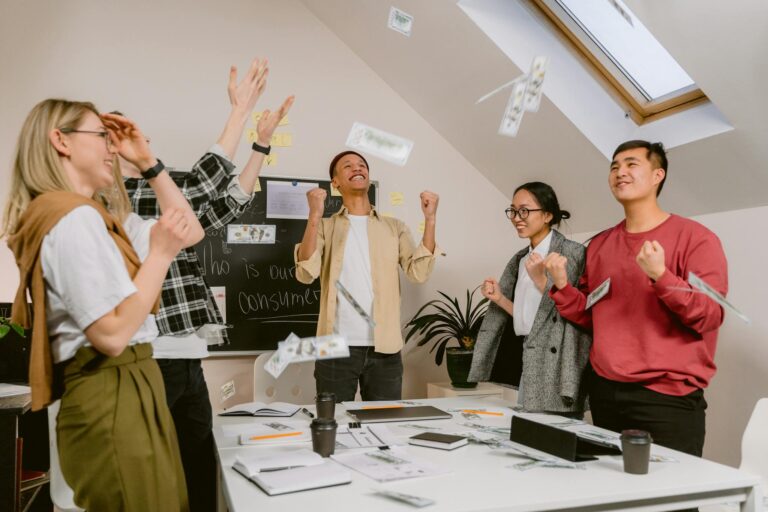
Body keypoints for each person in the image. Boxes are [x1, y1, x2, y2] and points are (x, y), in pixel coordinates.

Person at [3, 100, 199, 511]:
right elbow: (110, 334)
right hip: (112, 385)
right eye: (102, 138)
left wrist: (147, 160)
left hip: (127, 382)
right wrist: (160, 255)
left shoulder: (83, 215)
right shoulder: (72, 218)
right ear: (61, 141)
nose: (112, 149)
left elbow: (188, 229)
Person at [120, 58, 294, 512]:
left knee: (197, 459)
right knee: (162, 470)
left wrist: (261, 143)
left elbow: (228, 204)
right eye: (138, 146)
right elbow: (201, 187)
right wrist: (240, 113)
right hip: (152, 357)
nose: (148, 151)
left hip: (184, 355)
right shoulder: (121, 197)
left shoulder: (159, 192)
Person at [545, 140, 728, 457]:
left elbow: (710, 315)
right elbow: (594, 317)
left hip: (666, 399)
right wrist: (562, 287)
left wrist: (662, 276)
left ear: (658, 175)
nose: (620, 172)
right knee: (615, 497)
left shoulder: (696, 238)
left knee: (670, 501)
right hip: (605, 392)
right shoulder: (600, 244)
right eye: (614, 166)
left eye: (631, 164)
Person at [294, 150, 441, 401]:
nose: (357, 168)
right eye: (348, 166)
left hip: (386, 348)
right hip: (334, 347)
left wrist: (430, 219)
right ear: (335, 183)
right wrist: (315, 215)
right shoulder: (326, 226)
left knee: (384, 425)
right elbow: (306, 273)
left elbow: (418, 272)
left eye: (362, 165)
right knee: (334, 426)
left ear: (368, 177)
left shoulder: (394, 227)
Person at [469, 182, 590, 415]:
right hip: (529, 357)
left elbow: (574, 314)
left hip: (556, 364)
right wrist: (500, 299)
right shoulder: (521, 258)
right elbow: (532, 318)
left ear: (547, 215)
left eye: (524, 210)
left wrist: (541, 281)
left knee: (555, 436)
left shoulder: (571, 253)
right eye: (513, 211)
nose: (516, 217)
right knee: (530, 435)